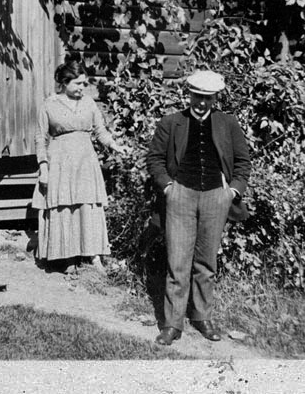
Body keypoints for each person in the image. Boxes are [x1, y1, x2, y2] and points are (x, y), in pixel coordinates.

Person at [146, 69, 251, 345]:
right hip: (181, 196)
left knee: (206, 262)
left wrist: (232, 192)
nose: (202, 103)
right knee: (177, 262)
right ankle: (172, 324)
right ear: (189, 94)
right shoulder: (172, 123)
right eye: (197, 96)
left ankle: (202, 317)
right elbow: (155, 160)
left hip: (216, 197)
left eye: (208, 98)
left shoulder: (227, 123)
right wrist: (168, 188)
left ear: (215, 98)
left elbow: (243, 162)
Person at [31, 61, 128, 274]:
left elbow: (100, 131)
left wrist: (114, 145)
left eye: (84, 83)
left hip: (85, 161)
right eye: (78, 83)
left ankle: (94, 257)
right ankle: (68, 257)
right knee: (64, 207)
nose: (82, 88)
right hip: (60, 162)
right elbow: (40, 138)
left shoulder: (89, 103)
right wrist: (43, 168)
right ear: (64, 82)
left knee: (88, 205)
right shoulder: (49, 104)